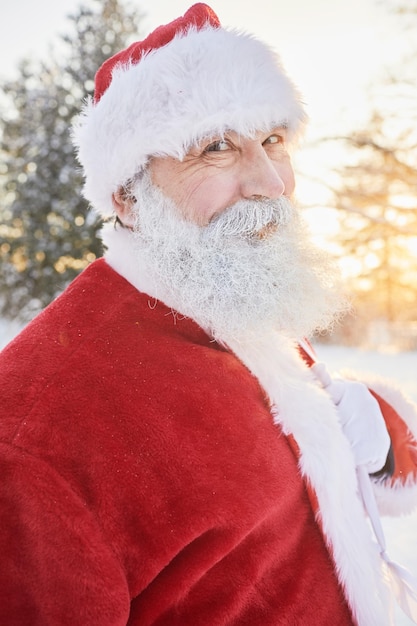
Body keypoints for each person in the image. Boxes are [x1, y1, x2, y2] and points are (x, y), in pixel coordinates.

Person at [0, 4, 416, 625]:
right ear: (127, 197)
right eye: (216, 148)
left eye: (274, 139)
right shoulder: (35, 436)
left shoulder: (233, 306)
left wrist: (378, 441)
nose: (270, 180)